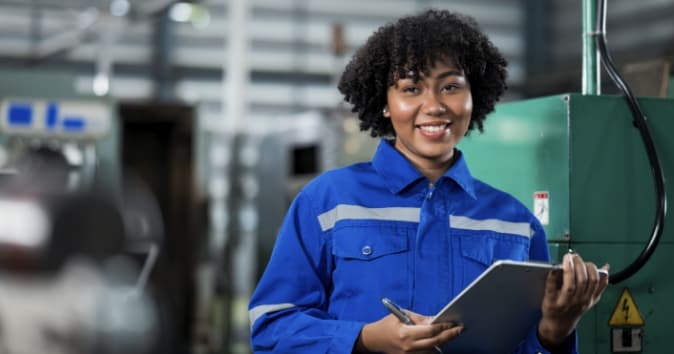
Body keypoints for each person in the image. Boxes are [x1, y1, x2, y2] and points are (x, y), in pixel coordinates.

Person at [248, 9, 609, 354]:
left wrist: (555, 329)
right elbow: (270, 328)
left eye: (451, 86)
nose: (434, 105)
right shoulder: (328, 202)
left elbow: (524, 344)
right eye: (411, 89)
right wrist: (366, 338)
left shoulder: (515, 221)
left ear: (474, 97)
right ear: (385, 103)